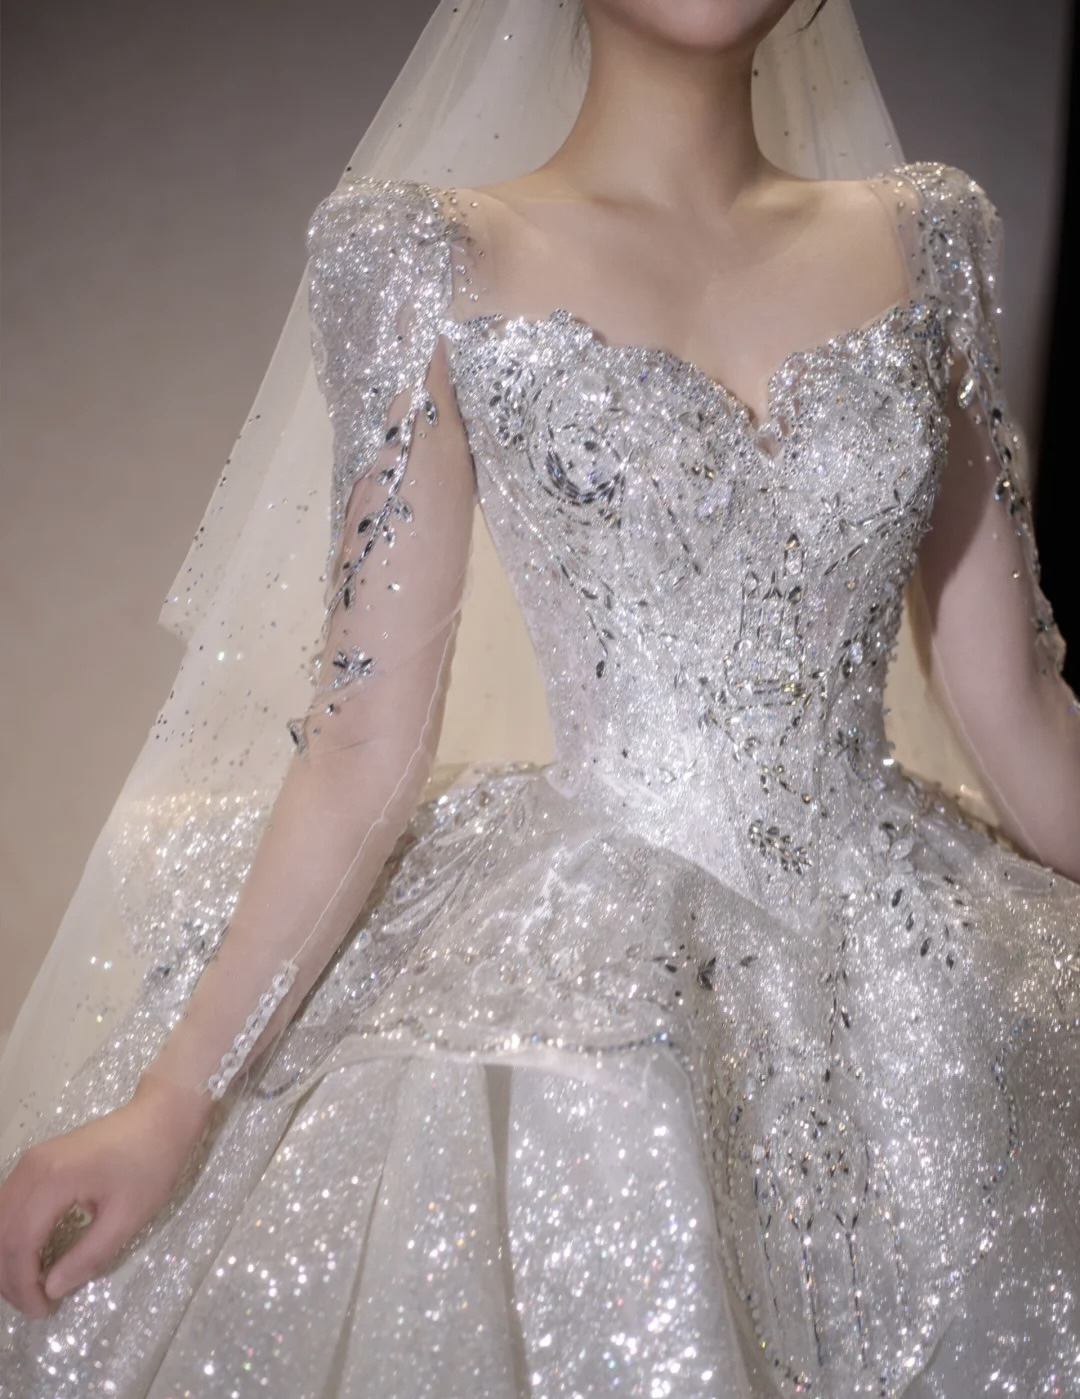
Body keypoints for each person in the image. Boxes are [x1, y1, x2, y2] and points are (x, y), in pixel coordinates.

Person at [1, 0, 1078, 1394]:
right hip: (598, 976)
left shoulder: (931, 240)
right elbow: (363, 745)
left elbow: (1017, 708)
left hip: (912, 986)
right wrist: (168, 1102)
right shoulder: (428, 256)